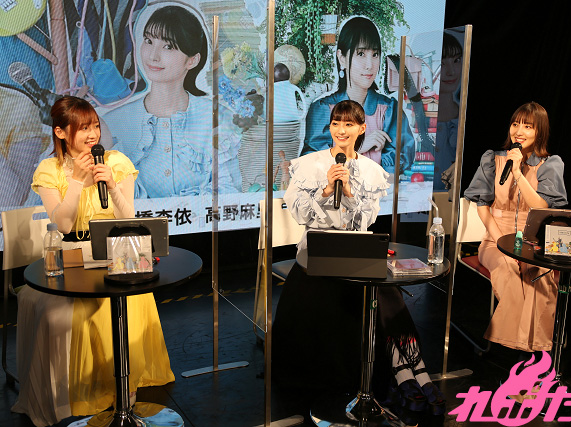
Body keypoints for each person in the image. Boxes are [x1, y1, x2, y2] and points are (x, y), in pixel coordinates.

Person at [273, 100, 444, 426]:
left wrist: (350, 192)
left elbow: (365, 220)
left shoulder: (370, 170)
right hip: (317, 250)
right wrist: (326, 190)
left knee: (387, 293)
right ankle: (394, 374)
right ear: (330, 127)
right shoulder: (308, 164)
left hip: (355, 249)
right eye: (336, 123)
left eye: (349, 124)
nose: (341, 130)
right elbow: (299, 213)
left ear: (362, 128)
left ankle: (411, 371)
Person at [11, 96, 174, 427]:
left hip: (116, 254)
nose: (92, 135)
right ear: (60, 132)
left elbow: (129, 218)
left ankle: (124, 388)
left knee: (131, 298)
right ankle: (88, 390)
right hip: (74, 258)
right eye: (82, 128)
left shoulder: (116, 162)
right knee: (84, 305)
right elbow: (64, 225)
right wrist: (76, 181)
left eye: (95, 126)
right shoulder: (49, 170)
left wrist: (111, 185)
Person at [464, 102, 568, 401]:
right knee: (510, 271)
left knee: (539, 278)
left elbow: (543, 207)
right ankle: (532, 364)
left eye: (528, 126)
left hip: (533, 242)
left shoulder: (551, 164)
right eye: (515, 124)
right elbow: (481, 205)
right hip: (496, 240)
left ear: (539, 131)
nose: (519, 131)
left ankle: (528, 366)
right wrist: (501, 242)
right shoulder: (492, 158)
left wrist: (520, 173)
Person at [103, 5, 241, 197]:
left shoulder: (217, 118)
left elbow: (231, 192)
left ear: (192, 60)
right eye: (149, 41)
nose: (153, 56)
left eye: (168, 46)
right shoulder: (114, 124)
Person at [300, 16, 414, 174]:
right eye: (361, 54)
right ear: (342, 58)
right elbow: (311, 163)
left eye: (375, 54)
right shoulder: (323, 109)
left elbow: (401, 160)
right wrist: (356, 147)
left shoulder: (389, 110)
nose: (369, 65)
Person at [434, 31, 463, 192]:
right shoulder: (413, 117)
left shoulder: (462, 117)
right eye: (442, 63)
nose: (451, 71)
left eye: (456, 60)